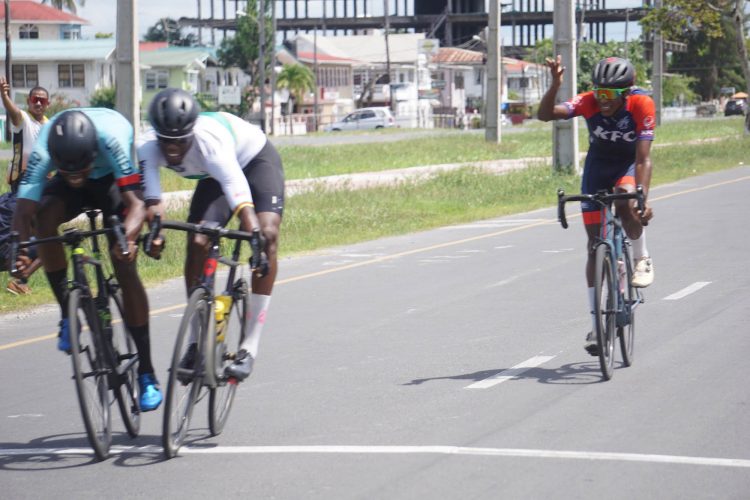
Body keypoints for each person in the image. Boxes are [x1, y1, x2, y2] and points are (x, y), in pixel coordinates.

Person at [11, 108, 163, 411]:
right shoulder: (45, 148)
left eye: (80, 170)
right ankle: (68, 312)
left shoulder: (114, 137)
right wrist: (21, 251)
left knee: (123, 263)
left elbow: (135, 205)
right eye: (70, 172)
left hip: (111, 183)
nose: (78, 178)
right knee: (44, 217)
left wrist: (127, 240)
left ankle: (146, 372)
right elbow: (23, 210)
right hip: (65, 186)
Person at [138, 88, 284, 382]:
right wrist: (155, 232)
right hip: (213, 177)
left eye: (180, 140)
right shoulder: (146, 146)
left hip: (252, 161)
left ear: (191, 131)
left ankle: (249, 347)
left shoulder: (209, 142)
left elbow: (238, 192)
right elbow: (152, 200)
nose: (173, 148)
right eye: (166, 141)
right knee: (198, 240)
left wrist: (253, 231)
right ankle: (194, 342)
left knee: (266, 234)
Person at [538, 55, 655, 355]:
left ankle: (642, 257)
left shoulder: (642, 104)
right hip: (598, 166)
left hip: (628, 164)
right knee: (594, 245)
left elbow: (643, 158)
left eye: (611, 95)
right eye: (599, 92)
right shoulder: (589, 101)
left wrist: (641, 197)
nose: (603, 101)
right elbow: (545, 114)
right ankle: (596, 324)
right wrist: (555, 85)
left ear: (626, 93)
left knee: (625, 196)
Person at [0, 77, 49, 294]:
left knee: (44, 236)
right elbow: (13, 112)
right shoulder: (24, 121)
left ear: (47, 104)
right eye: (34, 99)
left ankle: (20, 279)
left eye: (42, 100)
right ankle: (19, 279)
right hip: (21, 188)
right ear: (28, 102)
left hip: (42, 189)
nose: (38, 103)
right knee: (21, 234)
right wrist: (4, 96)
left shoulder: (50, 127)